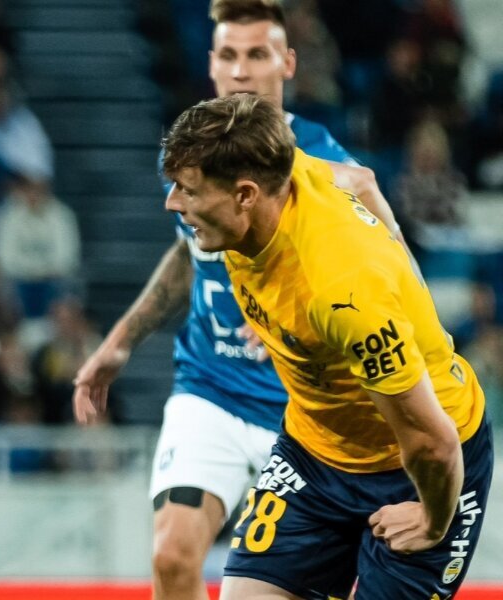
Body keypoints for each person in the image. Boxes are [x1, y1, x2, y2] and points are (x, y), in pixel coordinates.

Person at [72, 2, 392, 598]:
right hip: (210, 389)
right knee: (171, 557)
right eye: (228, 55)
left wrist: (300, 321)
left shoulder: (325, 163)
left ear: (287, 63)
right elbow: (189, 254)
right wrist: (120, 342)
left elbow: (382, 277)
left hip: (299, 409)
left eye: (257, 55)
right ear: (211, 64)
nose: (241, 71)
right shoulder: (189, 152)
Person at [162, 93, 493, 600]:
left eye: (188, 190)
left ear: (245, 195)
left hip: (420, 469)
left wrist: (433, 520)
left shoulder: (342, 292)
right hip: (314, 456)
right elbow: (362, 180)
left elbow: (433, 442)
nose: (173, 203)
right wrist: (400, 264)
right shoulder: (277, 168)